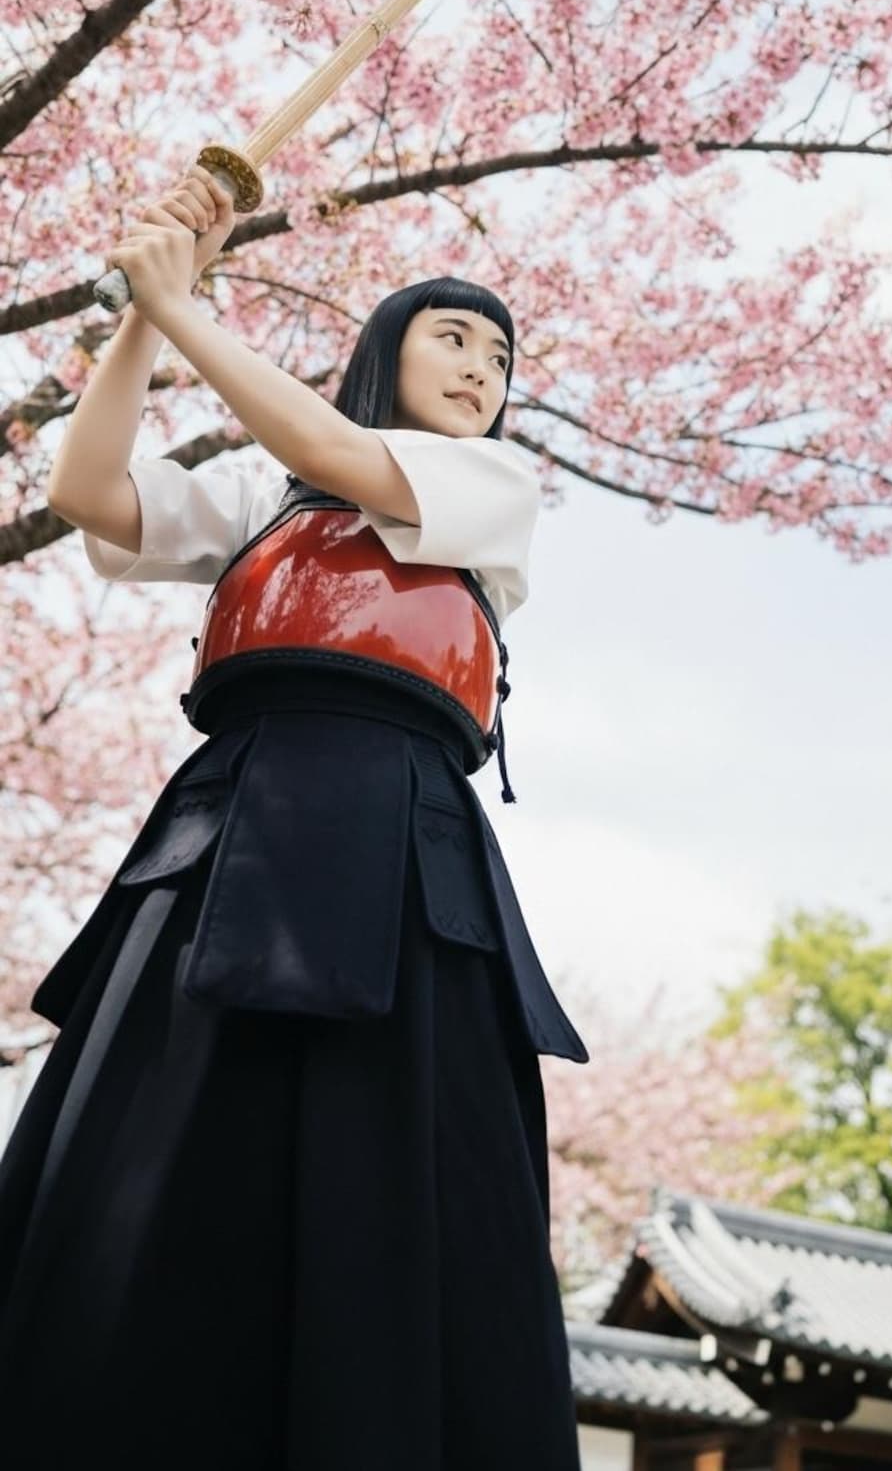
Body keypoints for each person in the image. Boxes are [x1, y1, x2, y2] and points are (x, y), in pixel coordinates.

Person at [0, 167, 588, 1470]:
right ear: (383, 351)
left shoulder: (490, 487)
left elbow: (335, 451)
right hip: (229, 825)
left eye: (499, 357)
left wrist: (184, 303)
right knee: (151, 1139)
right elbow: (89, 486)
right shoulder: (267, 510)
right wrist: (146, 313)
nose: (482, 369)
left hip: (403, 834)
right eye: (452, 338)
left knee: (388, 1156)